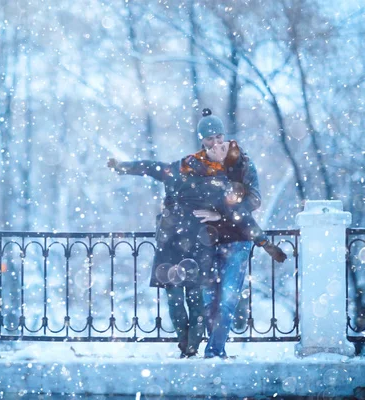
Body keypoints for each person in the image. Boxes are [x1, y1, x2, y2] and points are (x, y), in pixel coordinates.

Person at [108, 137, 285, 358]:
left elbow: (240, 215)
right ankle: (189, 348)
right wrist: (123, 168)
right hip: (182, 244)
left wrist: (263, 242)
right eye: (212, 146)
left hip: (191, 244)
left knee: (193, 300)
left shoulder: (211, 178)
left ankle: (191, 349)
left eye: (221, 147)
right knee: (186, 299)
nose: (216, 148)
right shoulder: (195, 172)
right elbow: (152, 168)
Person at [192, 109, 271, 359]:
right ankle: (216, 350)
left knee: (227, 299)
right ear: (201, 140)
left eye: (218, 136)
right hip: (208, 240)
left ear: (224, 135)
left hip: (238, 239)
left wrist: (221, 213)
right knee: (208, 299)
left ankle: (214, 351)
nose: (215, 142)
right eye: (209, 138)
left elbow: (254, 199)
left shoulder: (242, 162)